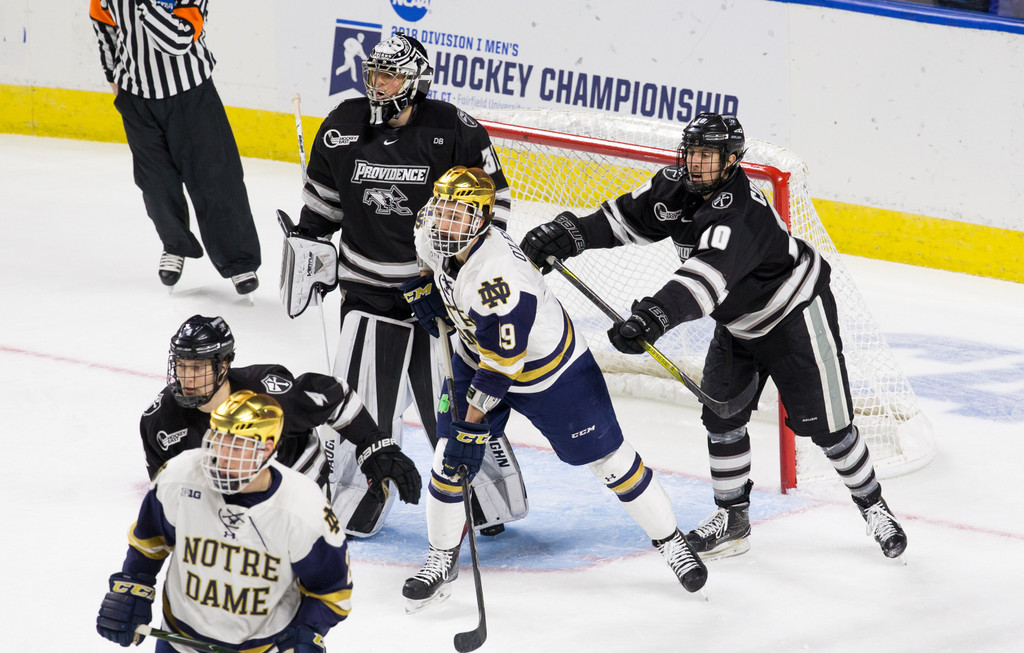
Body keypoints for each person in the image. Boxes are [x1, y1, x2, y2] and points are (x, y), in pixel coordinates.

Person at [520, 112, 908, 561]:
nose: (696, 163)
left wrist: (654, 317)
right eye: (693, 152)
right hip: (737, 323)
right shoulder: (672, 186)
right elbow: (622, 220)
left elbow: (704, 282)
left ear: (731, 161)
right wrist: (570, 234)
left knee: (829, 429)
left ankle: (874, 507)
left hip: (795, 315)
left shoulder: (738, 212)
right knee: (722, 419)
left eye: (709, 155)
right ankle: (733, 521)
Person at [399, 166, 707, 612]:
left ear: (481, 219)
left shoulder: (497, 280)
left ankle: (671, 541)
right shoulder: (429, 230)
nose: (443, 222)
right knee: (448, 460)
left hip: (551, 373)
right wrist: (427, 287)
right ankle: (441, 557)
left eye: (457, 214)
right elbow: (429, 263)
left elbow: (502, 367)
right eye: (441, 210)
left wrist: (471, 426)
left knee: (610, 462)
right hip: (477, 353)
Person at [283, 32, 526, 537]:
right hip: (367, 293)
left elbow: (493, 207)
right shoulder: (342, 126)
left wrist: (457, 274)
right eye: (374, 74)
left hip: (439, 299)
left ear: (416, 82)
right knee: (362, 406)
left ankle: (486, 497)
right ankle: (355, 499)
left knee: (452, 404)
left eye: (390, 76)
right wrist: (308, 246)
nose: (379, 84)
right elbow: (323, 207)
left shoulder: (453, 129)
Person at [97, 390, 350, 651]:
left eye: (238, 446)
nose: (223, 455)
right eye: (220, 439)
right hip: (178, 643)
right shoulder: (180, 476)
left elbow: (332, 590)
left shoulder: (303, 507)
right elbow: (149, 542)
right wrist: (133, 585)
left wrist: (307, 630)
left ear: (267, 448)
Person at [144, 314, 421, 536]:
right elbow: (167, 491)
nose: (186, 378)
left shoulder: (268, 395)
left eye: (196, 368)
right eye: (181, 366)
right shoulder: (160, 422)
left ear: (223, 366)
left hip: (297, 492)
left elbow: (336, 396)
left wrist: (373, 443)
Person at [89, 0, 261, 294]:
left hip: (192, 94)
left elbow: (177, 41)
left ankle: (238, 261)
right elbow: (104, 26)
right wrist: (112, 77)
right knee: (155, 183)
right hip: (137, 99)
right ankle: (175, 244)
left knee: (216, 178)